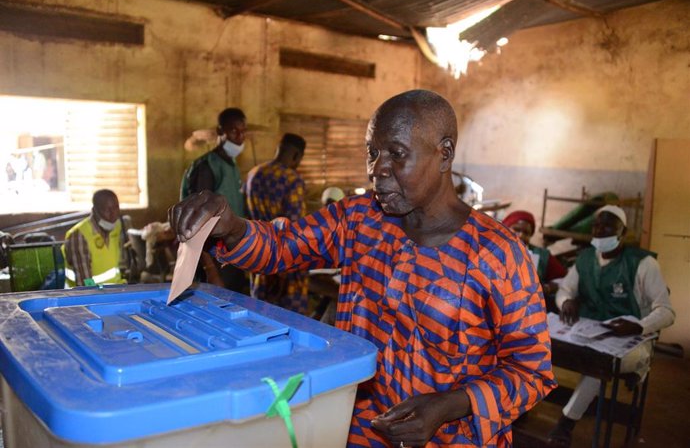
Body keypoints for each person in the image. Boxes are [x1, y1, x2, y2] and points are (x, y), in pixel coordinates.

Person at [170, 89, 556, 447]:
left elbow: (530, 371)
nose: (377, 169)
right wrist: (233, 227)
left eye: (396, 154)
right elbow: (281, 246)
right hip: (360, 431)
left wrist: (448, 405)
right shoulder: (360, 220)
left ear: (445, 153)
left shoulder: (497, 254)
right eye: (372, 152)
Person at [547, 205, 675, 447]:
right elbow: (565, 289)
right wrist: (565, 302)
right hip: (591, 331)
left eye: (608, 227)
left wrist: (638, 326)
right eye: (596, 226)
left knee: (600, 365)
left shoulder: (643, 264)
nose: (600, 232)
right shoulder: (585, 259)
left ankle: (566, 422)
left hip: (632, 338)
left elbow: (666, 312)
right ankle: (525, 402)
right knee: (545, 347)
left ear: (622, 231)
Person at [180, 107, 249, 293]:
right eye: (234, 131)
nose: (240, 137)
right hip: (213, 258)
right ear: (220, 131)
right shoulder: (206, 167)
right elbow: (197, 223)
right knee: (213, 304)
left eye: (243, 131)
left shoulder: (232, 167)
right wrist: (210, 268)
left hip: (232, 253)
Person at [245, 133, 309, 314]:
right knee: (289, 320)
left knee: (260, 314)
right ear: (297, 156)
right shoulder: (292, 180)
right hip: (283, 260)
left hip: (257, 252)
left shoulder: (253, 174)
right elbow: (294, 229)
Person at [503, 210, 567, 312]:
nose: (521, 236)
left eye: (526, 233)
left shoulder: (541, 255)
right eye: (516, 230)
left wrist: (547, 288)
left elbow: (564, 280)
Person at [63, 189, 125, 287]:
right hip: (89, 298)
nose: (114, 214)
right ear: (95, 210)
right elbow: (86, 282)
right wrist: (99, 296)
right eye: (108, 210)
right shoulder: (79, 236)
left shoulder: (116, 227)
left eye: (116, 207)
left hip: (113, 292)